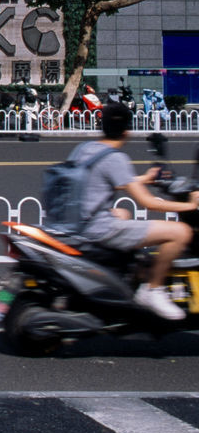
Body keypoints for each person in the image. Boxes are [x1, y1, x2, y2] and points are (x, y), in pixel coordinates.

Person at [66, 101, 199, 320]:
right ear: (127, 131)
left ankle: (128, 276)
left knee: (124, 214)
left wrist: (144, 178)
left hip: (75, 221)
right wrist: (190, 206)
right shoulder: (115, 158)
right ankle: (152, 290)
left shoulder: (85, 149)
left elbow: (108, 181)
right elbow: (149, 203)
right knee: (181, 232)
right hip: (95, 228)